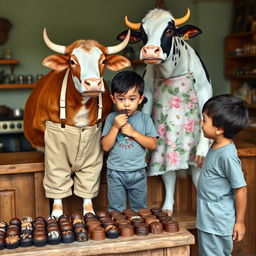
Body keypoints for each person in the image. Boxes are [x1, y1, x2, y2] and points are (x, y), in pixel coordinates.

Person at [196, 94, 249, 256]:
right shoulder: (216, 145)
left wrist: (239, 222)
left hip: (217, 221)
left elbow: (241, 189)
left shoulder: (227, 155)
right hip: (207, 217)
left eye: (204, 120)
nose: (201, 123)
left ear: (219, 129)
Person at [101, 70, 158, 212]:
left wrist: (133, 133)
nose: (126, 104)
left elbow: (153, 144)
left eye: (132, 99)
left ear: (140, 99)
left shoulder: (145, 119)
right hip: (115, 172)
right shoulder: (111, 118)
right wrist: (115, 127)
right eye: (121, 99)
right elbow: (106, 147)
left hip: (138, 171)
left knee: (140, 209)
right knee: (115, 209)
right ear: (113, 99)